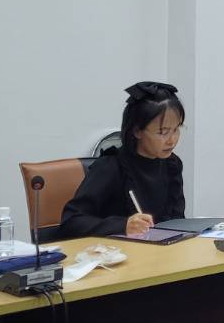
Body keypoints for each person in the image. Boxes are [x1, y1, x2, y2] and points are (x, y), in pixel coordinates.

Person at [60, 82, 185, 239]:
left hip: (161, 250)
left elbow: (177, 221)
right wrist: (123, 225)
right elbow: (71, 221)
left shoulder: (172, 165)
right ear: (137, 131)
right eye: (163, 132)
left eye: (176, 129)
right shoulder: (110, 167)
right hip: (114, 251)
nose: (172, 140)